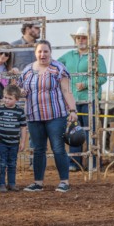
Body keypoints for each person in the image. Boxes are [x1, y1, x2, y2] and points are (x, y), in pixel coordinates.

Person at [18, 40, 78, 193]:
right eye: (40, 51)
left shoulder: (58, 69)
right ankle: (38, 182)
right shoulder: (27, 70)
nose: (42, 54)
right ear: (35, 53)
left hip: (55, 115)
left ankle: (64, 181)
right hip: (34, 116)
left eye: (45, 51)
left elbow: (66, 91)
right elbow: (19, 90)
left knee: (58, 148)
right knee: (38, 149)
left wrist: (73, 110)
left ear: (50, 52)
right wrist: (21, 93)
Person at [58, 26, 107, 172]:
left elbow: (103, 77)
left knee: (90, 130)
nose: (81, 40)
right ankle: (74, 162)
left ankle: (93, 163)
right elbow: (55, 66)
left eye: (84, 37)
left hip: (90, 98)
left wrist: (85, 84)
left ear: (89, 40)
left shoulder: (97, 56)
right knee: (74, 130)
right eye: (78, 38)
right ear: (75, 40)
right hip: (73, 100)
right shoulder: (68, 55)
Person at [0, 84, 27, 192]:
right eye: (5, 97)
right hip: (1, 141)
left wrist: (23, 142)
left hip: (14, 142)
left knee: (12, 163)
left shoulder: (20, 112)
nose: (6, 100)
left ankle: (12, 183)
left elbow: (23, 128)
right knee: (1, 163)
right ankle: (1, 184)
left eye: (10, 98)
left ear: (16, 99)